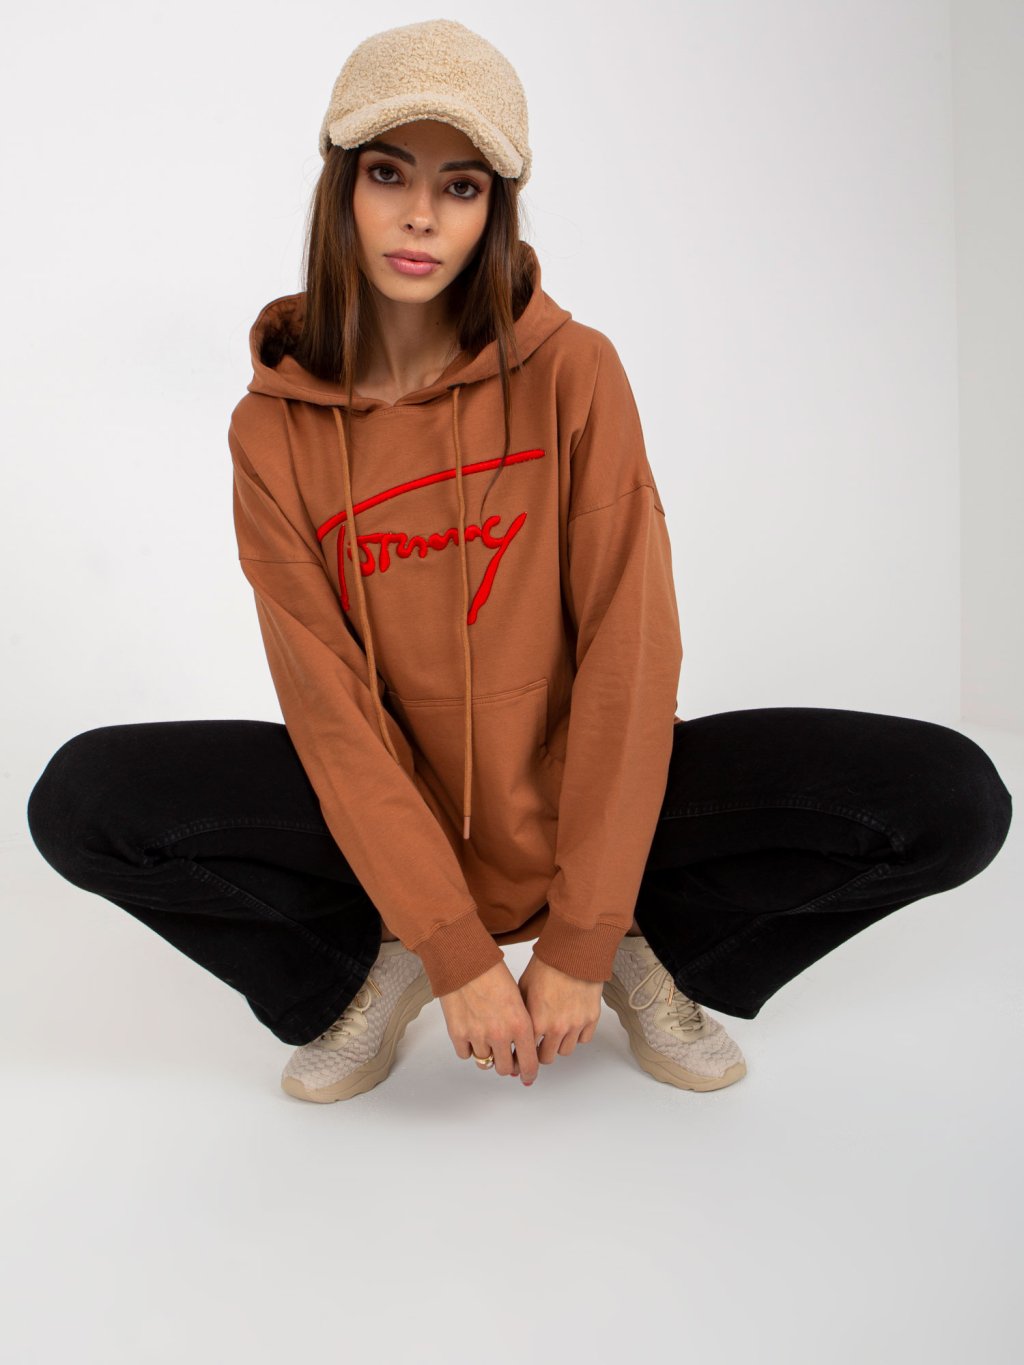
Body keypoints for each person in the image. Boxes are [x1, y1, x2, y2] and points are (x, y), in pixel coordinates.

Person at [26, 19, 1013, 1105]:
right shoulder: (271, 431)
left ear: (493, 209)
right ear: (339, 186)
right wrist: (451, 947)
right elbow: (328, 708)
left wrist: (582, 936)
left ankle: (638, 946)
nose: (420, 214)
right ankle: (379, 961)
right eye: (388, 173)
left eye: (460, 187)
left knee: (949, 799)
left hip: (584, 807)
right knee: (86, 798)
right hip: (390, 831)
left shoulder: (573, 373)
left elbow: (630, 651)